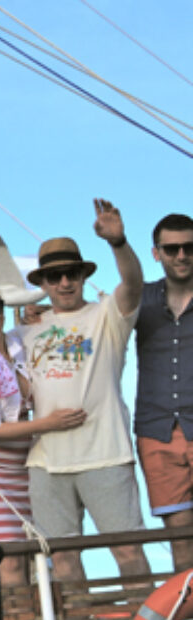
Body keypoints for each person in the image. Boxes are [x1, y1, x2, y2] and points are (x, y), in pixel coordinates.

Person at [15, 201, 149, 585]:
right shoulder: (26, 328)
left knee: (128, 551)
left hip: (105, 454)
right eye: (53, 276)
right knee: (62, 560)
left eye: (71, 273)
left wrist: (118, 243)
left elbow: (133, 285)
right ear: (42, 283)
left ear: (83, 276)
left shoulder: (107, 315)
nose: (64, 282)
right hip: (46, 461)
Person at [0, 281, 85, 588]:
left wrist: (38, 311)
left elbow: (54, 322)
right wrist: (49, 423)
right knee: (9, 557)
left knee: (38, 552)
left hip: (27, 461)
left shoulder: (18, 342)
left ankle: (45, 617)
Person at [135, 212, 193, 572]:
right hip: (157, 428)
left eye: (189, 247)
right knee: (180, 537)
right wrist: (42, 316)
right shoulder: (139, 298)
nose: (181, 255)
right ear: (156, 253)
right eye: (172, 249)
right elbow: (92, 322)